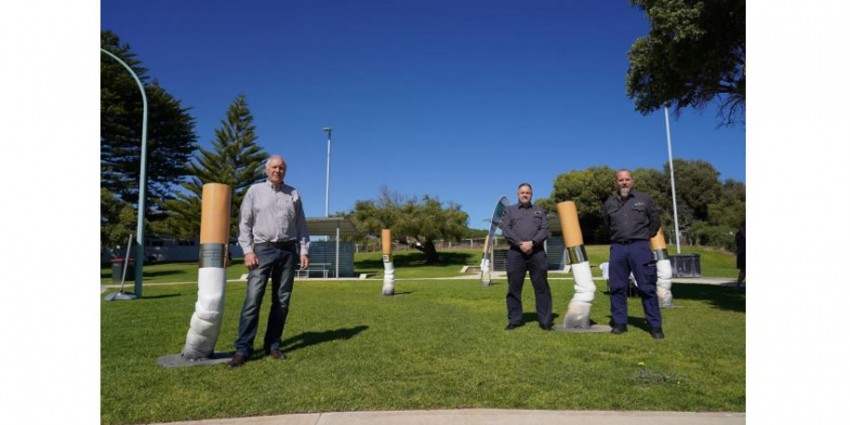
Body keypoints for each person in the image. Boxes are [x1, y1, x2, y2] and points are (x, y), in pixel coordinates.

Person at [228, 155, 310, 368]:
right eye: (274, 167)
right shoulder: (254, 192)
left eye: (282, 167)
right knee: (253, 299)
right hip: (262, 250)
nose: (278, 170)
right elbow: (244, 223)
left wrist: (303, 251)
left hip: (288, 251)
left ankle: (273, 345)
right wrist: (247, 251)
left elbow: (301, 225)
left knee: (282, 302)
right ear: (266, 170)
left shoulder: (293, 194)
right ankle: (243, 349)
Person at [602, 169, 664, 339]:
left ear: (632, 181)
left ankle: (655, 326)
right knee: (616, 287)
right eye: (620, 180)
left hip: (640, 248)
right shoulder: (609, 203)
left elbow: (655, 221)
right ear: (616, 183)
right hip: (618, 249)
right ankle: (620, 323)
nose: (624, 183)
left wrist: (644, 236)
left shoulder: (644, 199)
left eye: (627, 179)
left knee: (647, 287)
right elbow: (606, 224)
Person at [500, 183, 553, 331]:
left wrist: (532, 243)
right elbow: (506, 229)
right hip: (516, 253)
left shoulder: (539, 210)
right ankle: (515, 320)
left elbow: (545, 229)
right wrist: (520, 244)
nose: (525, 195)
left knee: (542, 287)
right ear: (517, 194)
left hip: (537, 253)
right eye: (522, 192)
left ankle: (545, 320)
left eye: (528, 193)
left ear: (531, 194)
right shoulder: (509, 210)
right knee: (514, 288)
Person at [735, 222, 745, 288]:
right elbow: (737, 244)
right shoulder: (738, 234)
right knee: (743, 270)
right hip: (742, 254)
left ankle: (738, 284)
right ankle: (738, 284)